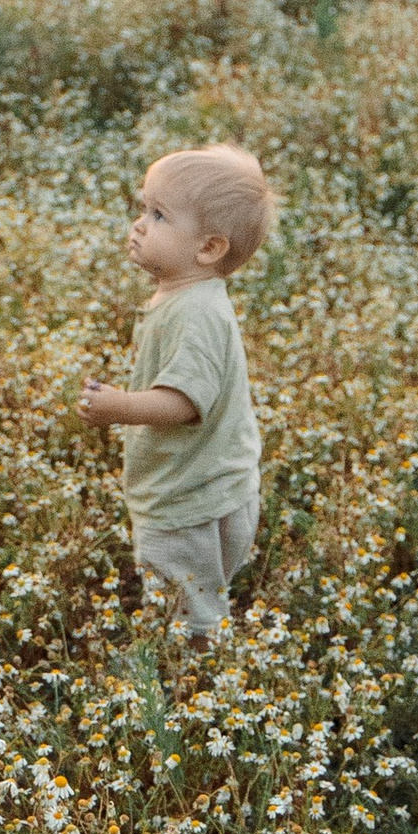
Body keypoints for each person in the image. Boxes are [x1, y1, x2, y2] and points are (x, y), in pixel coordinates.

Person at [80, 144, 275, 637]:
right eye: (144, 208)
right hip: (218, 485)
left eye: (160, 215)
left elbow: (185, 403)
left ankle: (195, 685)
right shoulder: (190, 295)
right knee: (202, 593)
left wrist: (119, 407)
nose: (140, 224)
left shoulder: (195, 315)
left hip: (187, 502)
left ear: (208, 248)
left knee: (190, 620)